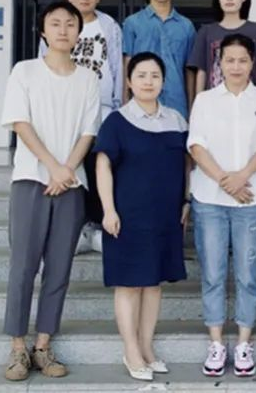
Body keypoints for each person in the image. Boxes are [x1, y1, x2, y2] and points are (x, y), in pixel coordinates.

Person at [0, 1, 101, 382]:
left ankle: (43, 345)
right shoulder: (25, 71)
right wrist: (52, 166)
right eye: (55, 23)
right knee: (23, 266)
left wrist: (66, 170)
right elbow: (20, 123)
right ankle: (17, 348)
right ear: (43, 30)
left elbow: (88, 132)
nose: (63, 29)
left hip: (71, 185)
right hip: (31, 179)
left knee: (59, 267)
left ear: (79, 32)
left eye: (70, 24)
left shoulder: (88, 78)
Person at [94, 52, 190, 382]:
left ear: (163, 81)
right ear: (130, 81)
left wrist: (186, 200)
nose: (148, 81)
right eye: (141, 75)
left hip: (165, 214)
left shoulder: (176, 120)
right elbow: (103, 165)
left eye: (155, 76)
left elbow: (185, 166)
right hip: (127, 214)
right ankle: (131, 350)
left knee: (153, 283)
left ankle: (147, 347)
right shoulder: (116, 121)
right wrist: (108, 209)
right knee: (129, 283)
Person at [187, 34, 256, 378]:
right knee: (212, 273)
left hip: (251, 198)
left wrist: (242, 177)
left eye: (242, 60)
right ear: (219, 63)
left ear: (252, 63)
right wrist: (226, 180)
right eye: (229, 60)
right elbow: (196, 145)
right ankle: (215, 343)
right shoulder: (205, 100)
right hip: (210, 198)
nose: (236, 66)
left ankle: (242, 343)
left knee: (247, 275)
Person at [38, 0, 122, 256]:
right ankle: (73, 229)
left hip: (103, 108)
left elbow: (116, 65)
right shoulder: (56, 25)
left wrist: (118, 105)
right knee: (69, 164)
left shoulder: (108, 25)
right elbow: (42, 65)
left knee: (99, 164)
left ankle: (95, 226)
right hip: (65, 110)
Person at [123, 0, 196, 117]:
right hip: (140, 103)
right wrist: (125, 102)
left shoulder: (186, 26)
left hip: (176, 103)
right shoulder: (132, 23)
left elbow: (189, 70)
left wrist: (192, 108)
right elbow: (127, 65)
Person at [187, 0, 256, 93]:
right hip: (214, 100)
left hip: (249, 99)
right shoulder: (206, 32)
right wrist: (199, 100)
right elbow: (202, 71)